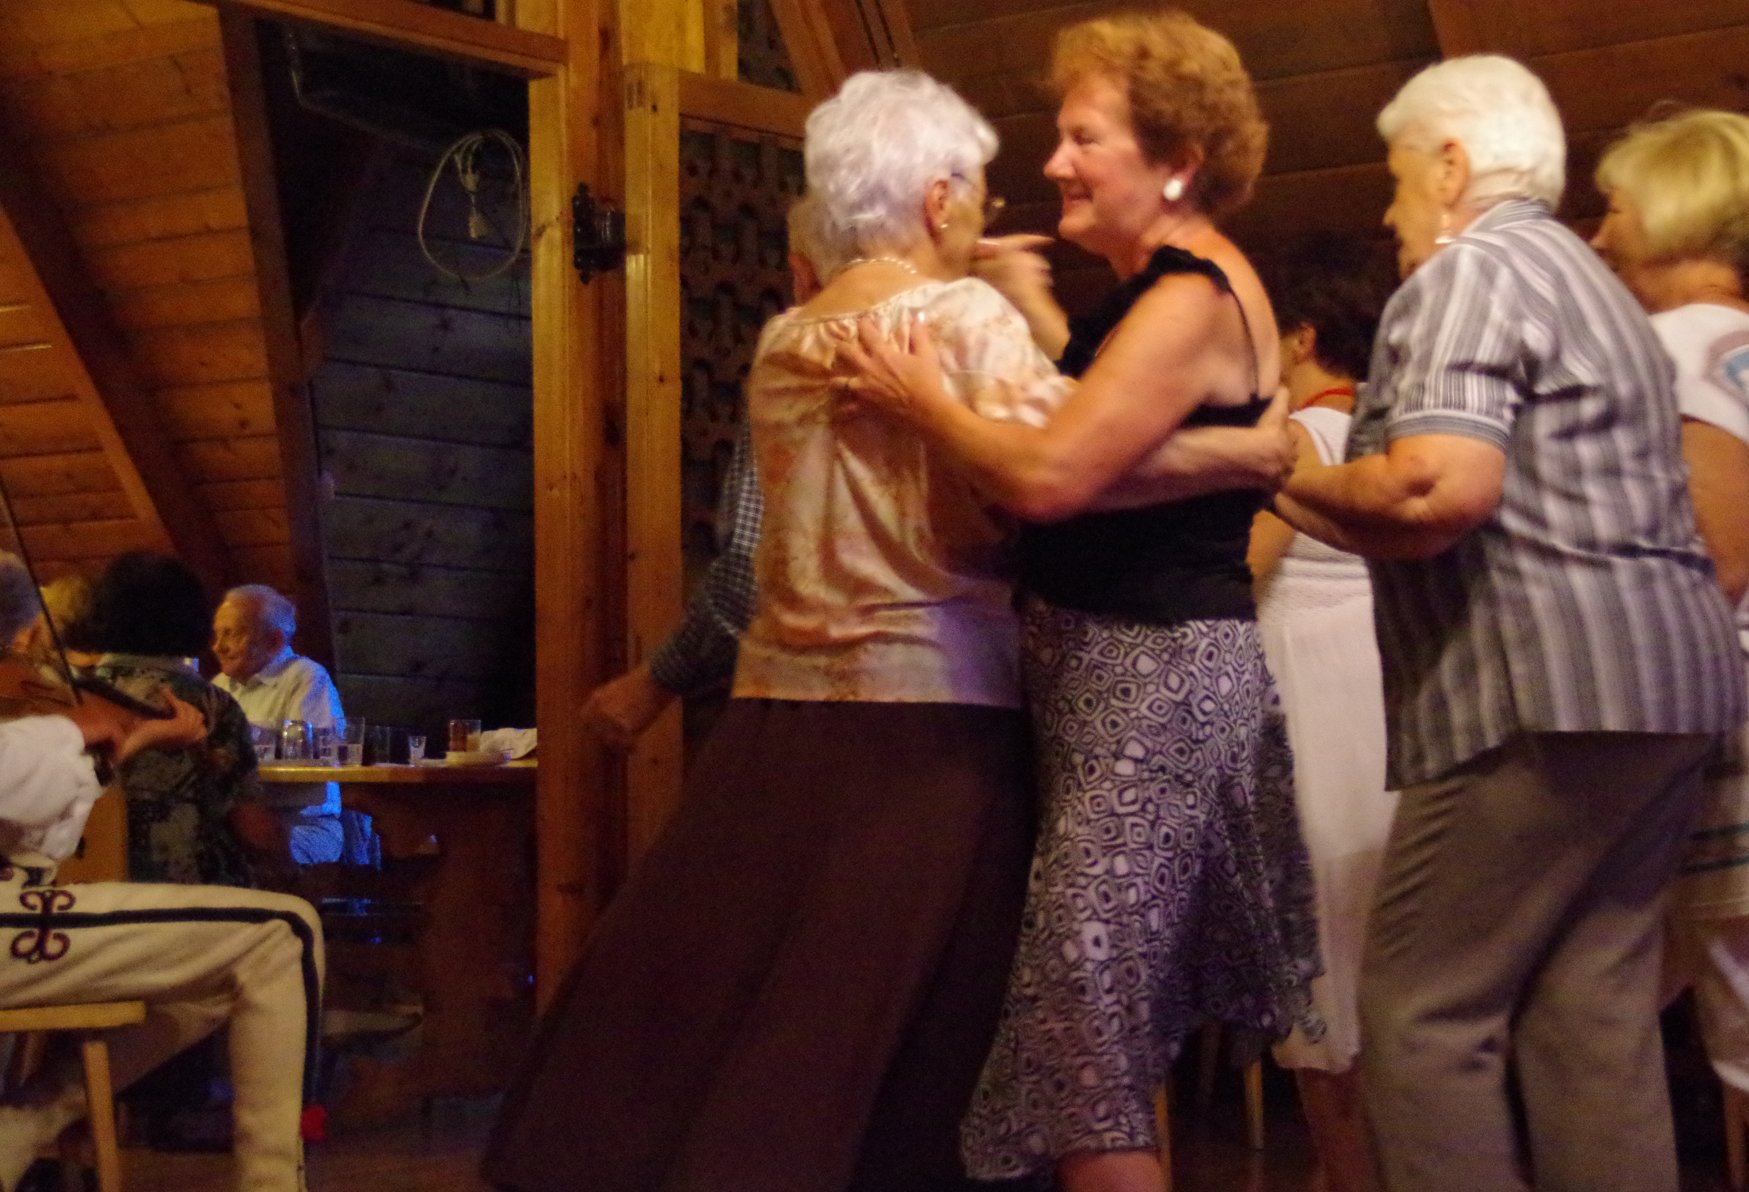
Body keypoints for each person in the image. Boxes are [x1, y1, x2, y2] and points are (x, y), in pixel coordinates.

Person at [485, 67, 1288, 1192]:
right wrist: (1243, 453)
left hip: (776, 718)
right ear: (937, 197)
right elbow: (1078, 467)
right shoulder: (957, 321)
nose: (990, 207)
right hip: (932, 717)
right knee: (906, 1055)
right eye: (979, 188)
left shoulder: (785, 336)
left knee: (754, 1017)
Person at [839, 15, 1317, 1191]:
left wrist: (923, 402)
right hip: (1123, 681)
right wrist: (1217, 448)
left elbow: (1054, 475)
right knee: (1086, 1032)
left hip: (1153, 680)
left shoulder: (1191, 298)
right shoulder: (1156, 293)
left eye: (1082, 138)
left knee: (1083, 1026)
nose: (1054, 162)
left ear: (1177, 163)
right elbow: (1107, 433)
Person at [1273, 57, 1746, 1192]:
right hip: (1666, 689)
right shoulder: (1596, 284)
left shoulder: (1470, 268)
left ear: (1450, 167)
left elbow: (1435, 491)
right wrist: (1279, 481)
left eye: (1396, 180)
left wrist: (1271, 462)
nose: (1391, 215)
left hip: (1541, 691)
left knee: (1421, 1012)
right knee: (1590, 1012)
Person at [1592, 107, 1749, 1189]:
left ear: (1673, 210)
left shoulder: (1676, 348)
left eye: (1617, 207)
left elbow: (1715, 559)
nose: (1600, 234)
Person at [0, 553, 323, 1192]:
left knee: (234, 958)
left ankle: (31, 1118)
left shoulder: (67, 692)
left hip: (65, 891)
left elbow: (37, 816)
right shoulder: (192, 701)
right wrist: (79, 734)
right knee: (285, 929)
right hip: (29, 912)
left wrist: (121, 739)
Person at [1249, 233, 1396, 1192]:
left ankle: (1347, 1173)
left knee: (1321, 966)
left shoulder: (1294, 442)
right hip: (1381, 703)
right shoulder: (1391, 433)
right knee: (1376, 961)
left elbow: (1238, 575)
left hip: (1313, 709)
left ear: (1301, 338)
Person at [580, 197, 837, 747]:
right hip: (972, 716)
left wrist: (652, 684)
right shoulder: (964, 345)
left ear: (802, 274)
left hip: (821, 712)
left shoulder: (798, 363)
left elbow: (753, 573)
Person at [84, 552, 279, 887]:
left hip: (86, 882)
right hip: (191, 890)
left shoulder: (71, 698)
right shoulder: (212, 705)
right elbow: (251, 826)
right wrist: (286, 863)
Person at [210, 586, 347, 865]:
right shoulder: (219, 685)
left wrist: (239, 738)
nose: (218, 646)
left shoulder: (306, 678)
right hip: (238, 821)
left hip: (302, 825)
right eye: (217, 634)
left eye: (231, 634)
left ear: (273, 641)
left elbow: (321, 756)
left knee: (229, 855)